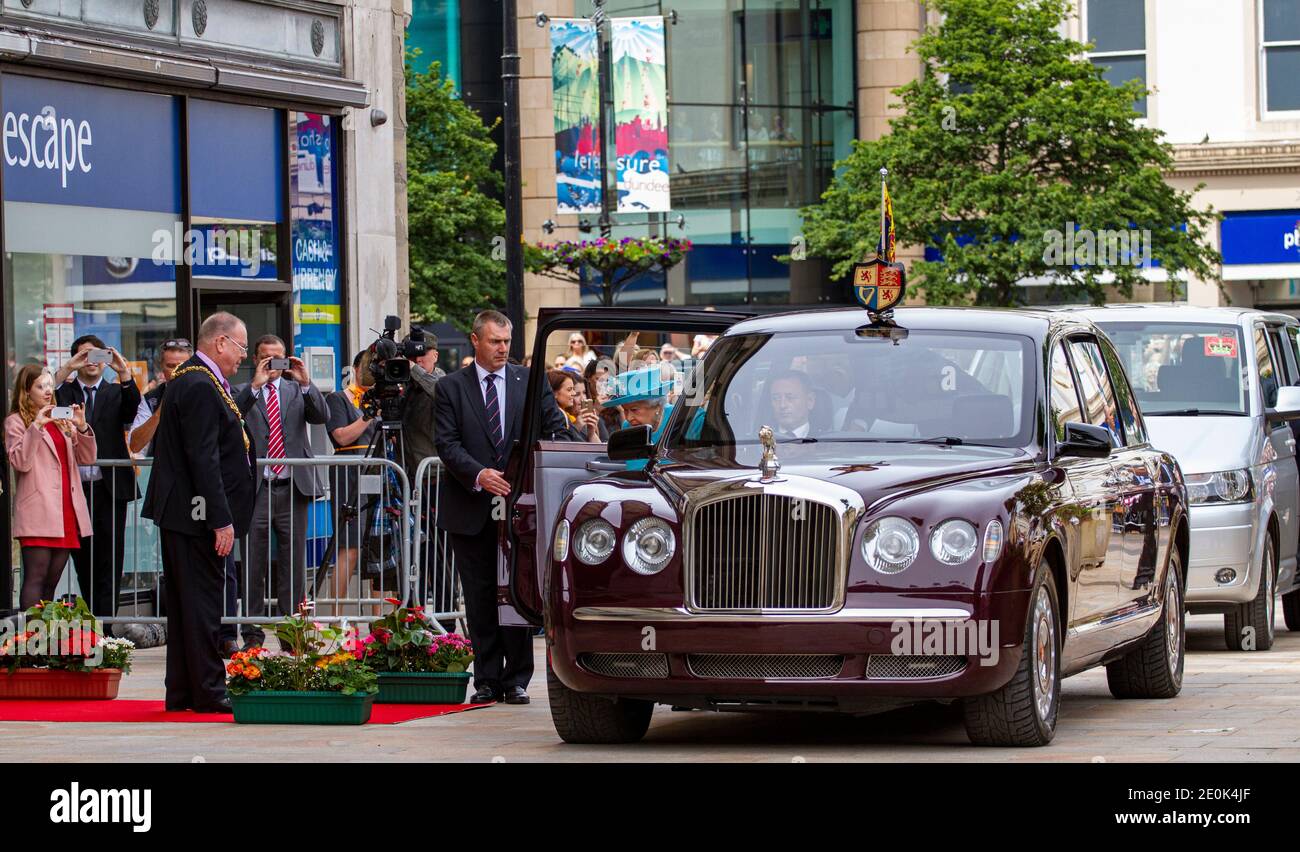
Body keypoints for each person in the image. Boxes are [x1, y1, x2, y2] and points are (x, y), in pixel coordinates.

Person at [433, 310, 570, 705]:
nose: (503, 349)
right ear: (475, 341)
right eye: (495, 341)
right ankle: (487, 679)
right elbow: (447, 443)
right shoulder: (451, 388)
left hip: (520, 509)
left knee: (517, 593)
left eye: (507, 342)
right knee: (479, 597)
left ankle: (517, 679)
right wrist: (479, 475)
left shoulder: (528, 381)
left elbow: (552, 429)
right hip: (470, 506)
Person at [142, 312, 255, 713]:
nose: (244, 356)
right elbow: (202, 458)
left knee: (191, 603)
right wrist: (220, 519)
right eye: (241, 347)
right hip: (194, 514)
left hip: (190, 512)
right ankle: (207, 690)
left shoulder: (197, 379)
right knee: (202, 603)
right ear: (220, 342)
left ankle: (186, 690)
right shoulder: (197, 383)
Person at [233, 335, 330, 651]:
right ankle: (252, 636)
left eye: (279, 358)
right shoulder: (243, 391)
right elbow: (233, 416)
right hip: (257, 488)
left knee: (294, 564)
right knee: (253, 564)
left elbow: (321, 416)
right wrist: (256, 385)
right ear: (256, 360)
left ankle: (293, 636)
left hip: (293, 487)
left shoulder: (295, 390)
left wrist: (305, 382)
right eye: (266, 358)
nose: (273, 364)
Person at [55, 335, 142, 620]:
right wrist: (68, 367)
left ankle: (106, 626)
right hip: (75, 488)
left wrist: (123, 371)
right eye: (85, 356)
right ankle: (91, 618)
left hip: (109, 488)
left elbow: (133, 410)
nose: (92, 362)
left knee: (110, 558)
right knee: (83, 559)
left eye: (98, 356)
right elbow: (48, 394)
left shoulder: (117, 391)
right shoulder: (65, 392)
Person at [5, 366, 96, 609]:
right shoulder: (16, 422)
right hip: (38, 509)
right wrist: (37, 425)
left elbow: (86, 459)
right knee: (36, 578)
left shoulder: (60, 419)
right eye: (40, 386)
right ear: (26, 392)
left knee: (51, 582)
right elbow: (20, 462)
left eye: (49, 385)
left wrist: (82, 427)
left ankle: (44, 638)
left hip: (65, 509)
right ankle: (29, 641)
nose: (47, 391)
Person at [321, 351, 380, 616]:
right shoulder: (337, 399)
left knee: (379, 549)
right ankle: (337, 617)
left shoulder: (383, 400)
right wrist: (367, 415)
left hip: (378, 472)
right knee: (350, 548)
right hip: (350, 474)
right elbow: (341, 437)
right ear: (355, 369)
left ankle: (380, 622)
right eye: (368, 366)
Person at [128, 338, 193, 456]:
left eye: (182, 365)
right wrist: (159, 412)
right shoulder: (152, 399)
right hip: (165, 470)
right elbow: (135, 445)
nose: (177, 371)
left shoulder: (205, 391)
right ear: (161, 366)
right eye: (171, 366)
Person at [548, 370, 602, 443]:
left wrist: (591, 433)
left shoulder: (568, 417)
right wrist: (577, 426)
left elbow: (599, 451)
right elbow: (564, 448)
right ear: (554, 393)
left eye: (584, 393)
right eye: (569, 390)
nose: (573, 393)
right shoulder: (555, 417)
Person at [767, 371, 819, 440]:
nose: (782, 405)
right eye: (776, 398)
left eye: (790, 397)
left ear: (810, 400)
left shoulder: (825, 440)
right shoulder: (760, 440)